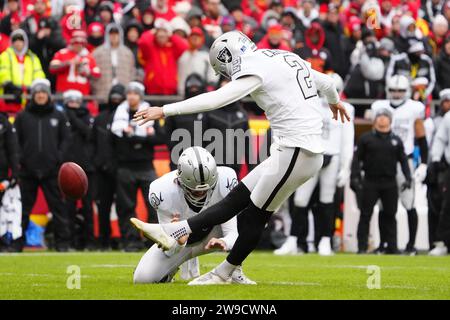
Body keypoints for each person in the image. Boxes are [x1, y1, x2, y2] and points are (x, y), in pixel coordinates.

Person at [130, 31, 349, 285]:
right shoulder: (282, 56)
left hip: (298, 150)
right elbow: (328, 84)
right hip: (292, 150)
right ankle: (177, 235)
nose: (226, 76)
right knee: (236, 200)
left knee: (255, 216)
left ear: (227, 57)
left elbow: (217, 99)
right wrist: (335, 102)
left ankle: (223, 271)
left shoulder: (254, 66)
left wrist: (165, 109)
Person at [133, 147, 255, 284]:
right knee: (142, 279)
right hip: (185, 244)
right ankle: (169, 271)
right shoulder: (162, 191)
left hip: (214, 235)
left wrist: (224, 242)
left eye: (207, 189)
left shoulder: (226, 179)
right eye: (195, 192)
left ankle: (234, 270)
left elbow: (233, 234)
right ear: (180, 181)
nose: (201, 194)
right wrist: (179, 242)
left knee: (252, 215)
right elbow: (168, 248)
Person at [275, 73, 354, 256]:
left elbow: (347, 140)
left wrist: (345, 166)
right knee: (300, 200)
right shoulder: (312, 104)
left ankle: (325, 240)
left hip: (332, 157)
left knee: (327, 200)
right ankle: (293, 239)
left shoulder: (346, 107)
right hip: (311, 154)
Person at [370, 75, 428, 255]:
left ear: (407, 91)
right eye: (393, 90)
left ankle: (411, 245)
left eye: (400, 90)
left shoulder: (414, 108)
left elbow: (421, 137)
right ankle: (384, 244)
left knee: (408, 202)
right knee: (383, 205)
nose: (396, 94)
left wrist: (424, 163)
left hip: (406, 161)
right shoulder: (379, 107)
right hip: (383, 161)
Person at [14, 79, 71, 252]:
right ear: (33, 95)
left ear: (48, 95)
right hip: (28, 171)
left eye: (43, 92)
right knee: (22, 210)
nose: (40, 95)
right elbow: (15, 141)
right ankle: (17, 244)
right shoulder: (22, 116)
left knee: (58, 209)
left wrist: (58, 158)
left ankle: (62, 244)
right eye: (37, 92)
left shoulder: (58, 115)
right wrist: (21, 160)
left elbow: (66, 139)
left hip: (52, 171)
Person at [111, 81, 163, 252]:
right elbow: (116, 139)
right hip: (125, 166)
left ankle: (153, 241)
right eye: (129, 93)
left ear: (140, 96)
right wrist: (142, 138)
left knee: (154, 205)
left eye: (135, 93)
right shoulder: (119, 114)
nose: (132, 96)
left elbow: (160, 138)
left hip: (146, 166)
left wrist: (138, 137)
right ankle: (131, 241)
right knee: (126, 207)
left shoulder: (150, 113)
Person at [353, 110, 412, 254]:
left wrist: (408, 177)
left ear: (390, 120)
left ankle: (391, 246)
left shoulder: (396, 140)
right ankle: (362, 247)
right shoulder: (366, 138)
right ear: (374, 120)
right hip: (370, 181)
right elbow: (356, 159)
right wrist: (355, 177)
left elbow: (403, 160)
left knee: (390, 214)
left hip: (390, 182)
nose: (382, 119)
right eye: (379, 116)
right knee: (365, 214)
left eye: (385, 116)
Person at [62, 89, 96, 250]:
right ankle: (69, 241)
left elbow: (87, 132)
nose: (73, 104)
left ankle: (89, 241)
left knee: (88, 207)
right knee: (68, 208)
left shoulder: (87, 116)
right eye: (70, 101)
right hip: (67, 168)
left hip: (85, 169)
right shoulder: (61, 118)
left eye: (76, 101)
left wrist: (72, 117)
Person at [93, 84, 126, 250]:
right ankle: (104, 240)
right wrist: (97, 163)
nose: (116, 100)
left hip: (120, 169)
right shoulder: (100, 118)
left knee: (124, 207)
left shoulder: (127, 117)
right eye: (113, 97)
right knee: (103, 207)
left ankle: (124, 239)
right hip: (102, 170)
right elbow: (92, 143)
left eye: (119, 97)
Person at [0, 29, 45, 113]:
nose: (18, 43)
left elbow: (39, 74)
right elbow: (3, 73)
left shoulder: (33, 58)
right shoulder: (5, 56)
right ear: (11, 42)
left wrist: (34, 87)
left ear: (25, 42)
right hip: (10, 97)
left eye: (21, 40)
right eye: (15, 40)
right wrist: (11, 86)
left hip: (29, 97)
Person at [428, 89, 450, 256]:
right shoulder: (448, 118)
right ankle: (443, 242)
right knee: (447, 206)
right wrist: (435, 159)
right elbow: (440, 139)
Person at [92, 23, 137, 102]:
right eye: (111, 33)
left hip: (123, 91)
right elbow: (92, 71)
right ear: (107, 35)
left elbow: (132, 72)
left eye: (116, 33)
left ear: (120, 35)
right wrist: (96, 86)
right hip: (103, 92)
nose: (114, 36)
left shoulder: (127, 53)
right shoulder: (97, 52)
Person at [0, 108, 19, 251]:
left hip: (1, 174)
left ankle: (3, 242)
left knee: (3, 208)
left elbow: (12, 150)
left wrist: (15, 173)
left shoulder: (4, 123)